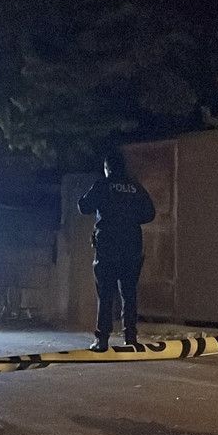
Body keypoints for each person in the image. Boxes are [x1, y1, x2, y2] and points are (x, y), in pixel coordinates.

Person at [78, 149, 155, 351]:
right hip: (131, 247)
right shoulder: (135, 187)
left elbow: (83, 206)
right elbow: (150, 213)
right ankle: (130, 338)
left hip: (108, 248)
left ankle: (102, 339)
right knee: (129, 294)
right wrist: (130, 219)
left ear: (107, 168)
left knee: (105, 295)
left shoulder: (103, 185)